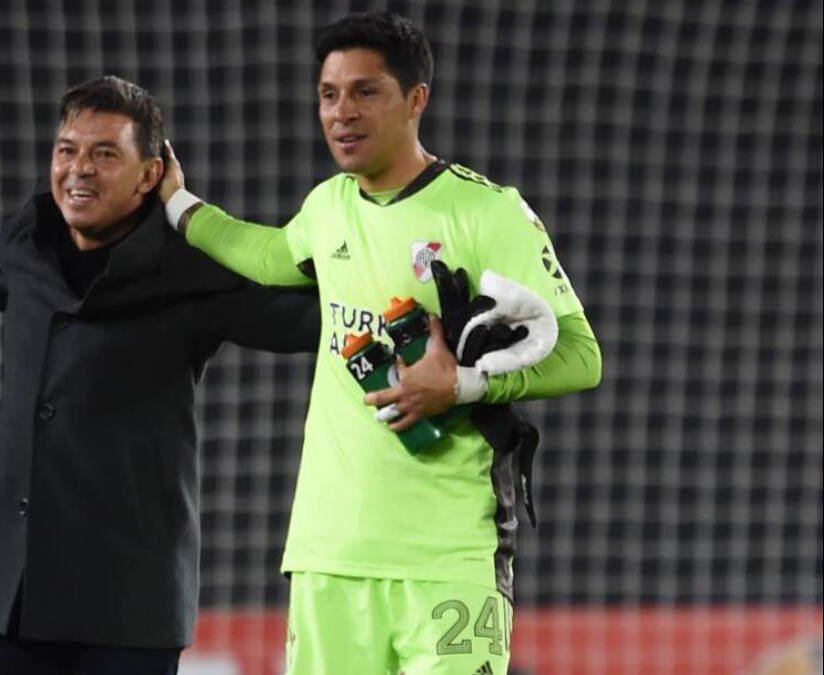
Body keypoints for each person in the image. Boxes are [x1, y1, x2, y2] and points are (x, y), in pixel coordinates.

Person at [0, 76, 318, 675]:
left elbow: (307, 320)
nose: (79, 169)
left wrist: (399, 312)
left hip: (128, 607)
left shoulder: (192, 268)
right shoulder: (28, 240)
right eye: (67, 150)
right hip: (9, 595)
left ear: (151, 175)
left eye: (104, 153)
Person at [160, 11, 602, 675]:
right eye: (329, 94)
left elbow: (581, 355)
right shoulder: (328, 206)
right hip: (330, 553)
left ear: (416, 99)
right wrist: (178, 204)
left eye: (366, 91)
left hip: (449, 556)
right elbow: (271, 252)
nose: (343, 112)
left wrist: (461, 384)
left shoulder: (487, 212)